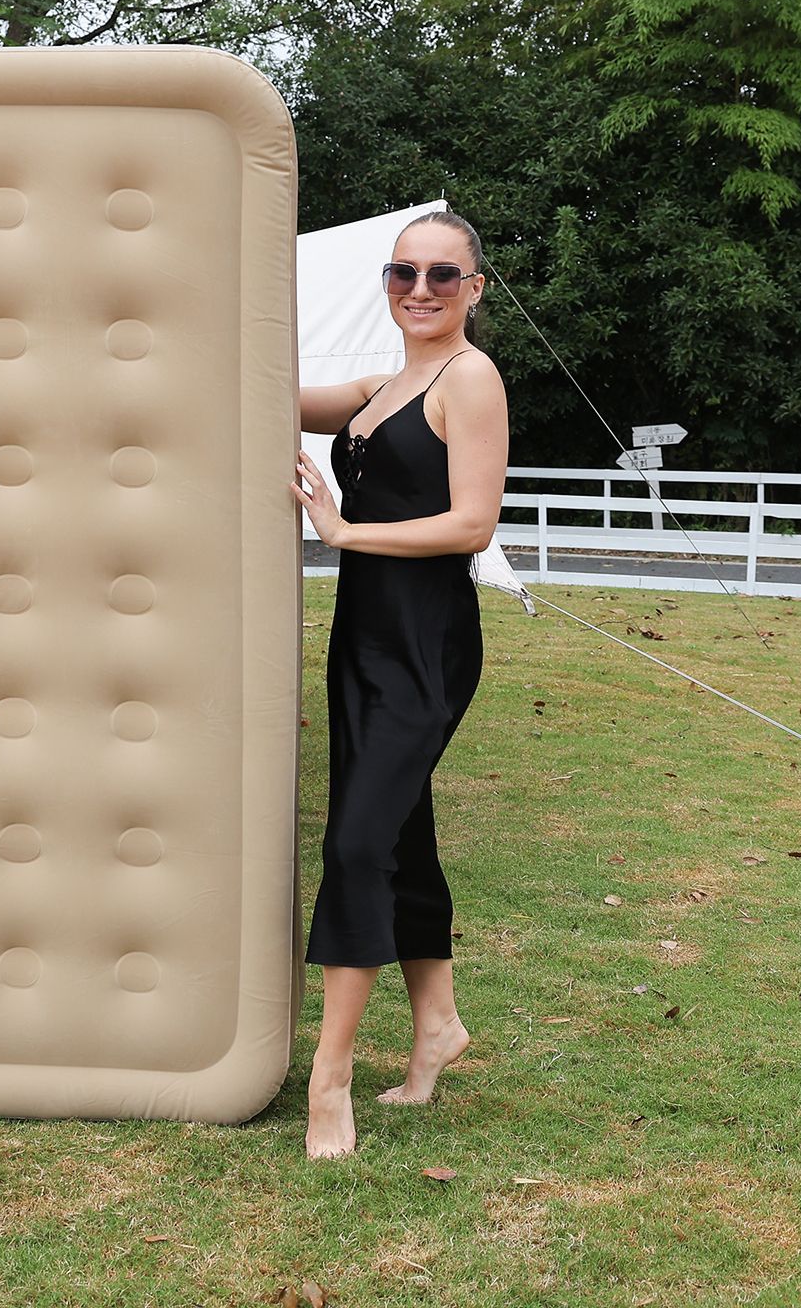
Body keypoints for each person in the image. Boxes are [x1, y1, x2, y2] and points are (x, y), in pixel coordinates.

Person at [290, 211, 509, 1159]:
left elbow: (472, 524)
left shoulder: (471, 378)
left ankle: (328, 1080)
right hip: (362, 641)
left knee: (356, 843)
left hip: (426, 644)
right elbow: (268, 391)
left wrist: (344, 533)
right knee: (399, 833)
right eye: (402, 272)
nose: (420, 289)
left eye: (442, 274)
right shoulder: (381, 387)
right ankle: (437, 1025)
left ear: (474, 287)